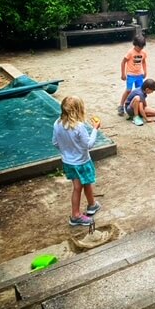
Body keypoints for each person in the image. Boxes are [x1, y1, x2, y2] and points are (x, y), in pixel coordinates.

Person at [52, 96, 102, 227]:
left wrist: (66, 151)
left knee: (85, 184)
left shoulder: (57, 123)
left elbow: (55, 142)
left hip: (68, 162)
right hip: (82, 162)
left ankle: (92, 205)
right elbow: (88, 145)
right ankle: (76, 216)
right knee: (78, 187)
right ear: (79, 110)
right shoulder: (79, 127)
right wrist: (95, 129)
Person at [118, 34, 148, 116]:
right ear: (135, 45)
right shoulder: (130, 52)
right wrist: (123, 73)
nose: (140, 49)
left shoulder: (143, 53)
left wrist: (145, 71)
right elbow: (123, 62)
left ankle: (141, 105)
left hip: (139, 75)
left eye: (142, 47)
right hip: (131, 74)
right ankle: (121, 105)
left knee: (141, 91)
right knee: (128, 90)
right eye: (139, 47)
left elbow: (144, 61)